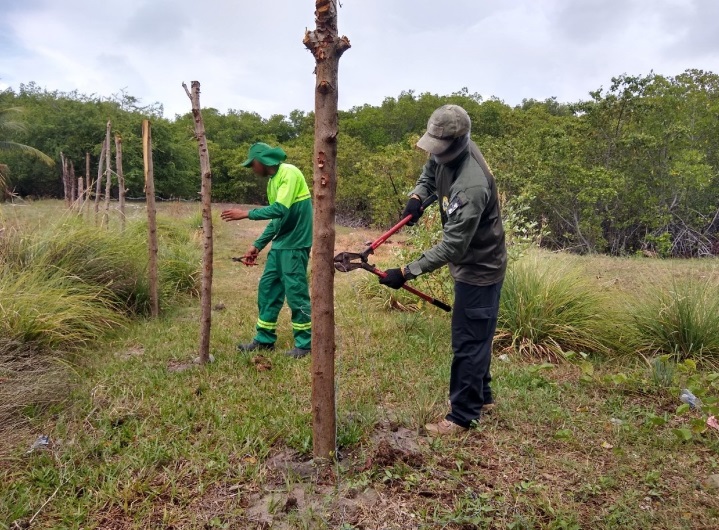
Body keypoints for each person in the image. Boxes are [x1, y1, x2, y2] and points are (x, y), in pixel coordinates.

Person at [379, 105, 507, 435]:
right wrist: (418, 196)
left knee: (468, 341)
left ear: (460, 141)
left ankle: (462, 417)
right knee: (476, 335)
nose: (436, 153)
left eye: (441, 148)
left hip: (480, 267)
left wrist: (406, 271)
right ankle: (484, 398)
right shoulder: (447, 149)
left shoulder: (471, 186)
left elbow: (453, 246)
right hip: (467, 264)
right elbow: (430, 171)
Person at [220, 142, 312, 359]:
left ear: (261, 161)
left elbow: (280, 208)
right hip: (280, 245)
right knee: (268, 289)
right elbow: (276, 219)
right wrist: (257, 244)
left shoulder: (289, 172)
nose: (252, 169)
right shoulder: (272, 182)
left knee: (296, 292)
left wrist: (246, 214)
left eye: (252, 164)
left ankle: (306, 344)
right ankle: (264, 340)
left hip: (295, 244)